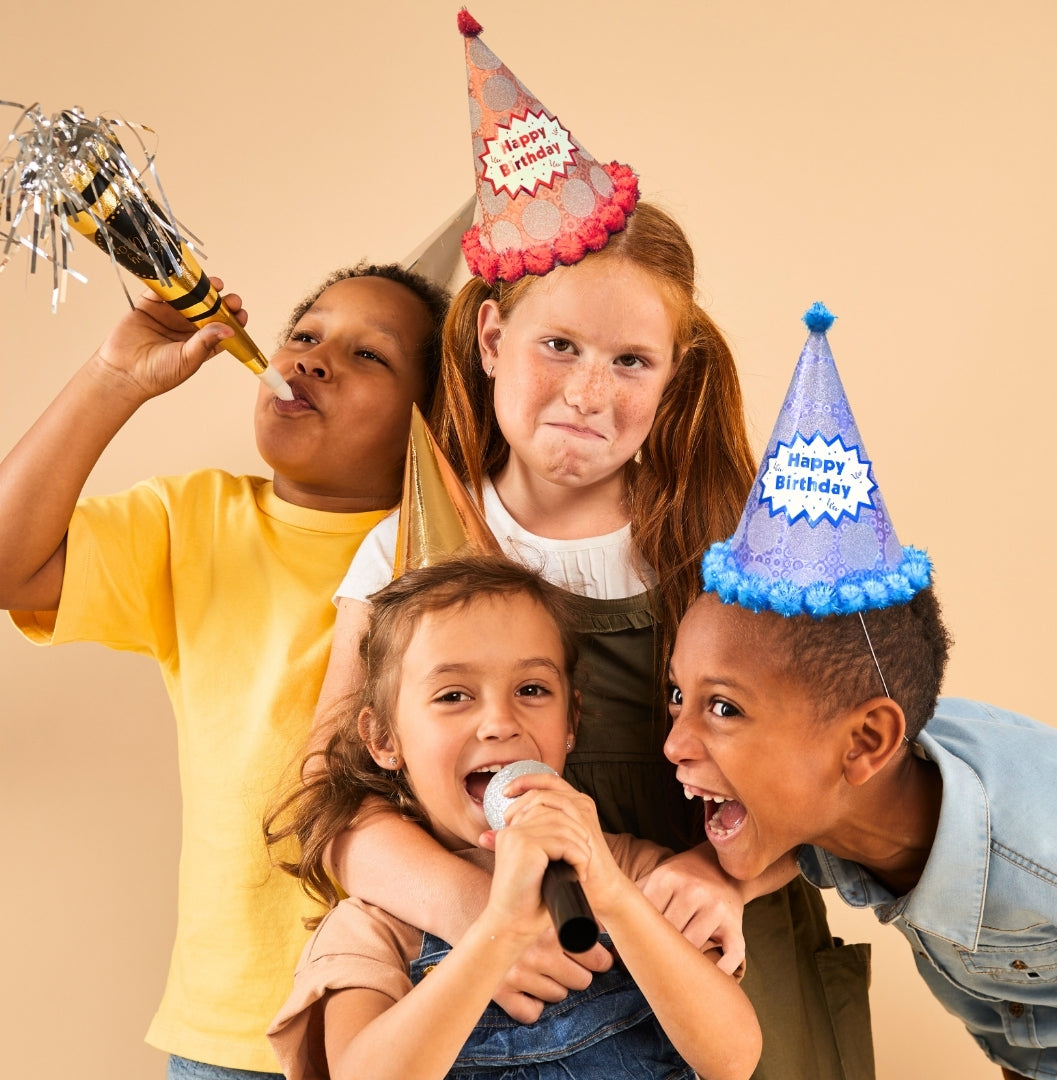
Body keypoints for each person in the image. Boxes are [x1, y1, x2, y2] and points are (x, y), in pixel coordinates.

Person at [309, 15, 876, 1078]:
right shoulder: (410, 549)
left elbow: (841, 768)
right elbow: (323, 790)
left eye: (629, 360)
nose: (585, 391)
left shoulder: (732, 555)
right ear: (490, 339)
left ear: (673, 377)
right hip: (501, 994)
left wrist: (730, 880)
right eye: (557, 345)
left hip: (718, 971)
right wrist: (482, 912)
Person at [0, 261, 449, 1079]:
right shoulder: (193, 521)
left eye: (367, 356)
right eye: (304, 336)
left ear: (432, 419)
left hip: (414, 1021)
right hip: (230, 1025)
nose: (312, 359)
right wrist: (112, 379)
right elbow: (7, 562)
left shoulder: (452, 561)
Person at [664, 304, 1057, 1080]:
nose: (674, 742)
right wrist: (717, 872)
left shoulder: (1055, 866)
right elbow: (811, 834)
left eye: (722, 707)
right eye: (676, 697)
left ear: (864, 743)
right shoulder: (858, 801)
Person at [266, 554, 762, 1080]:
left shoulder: (638, 873)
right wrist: (494, 930)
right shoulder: (372, 928)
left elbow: (732, 1058)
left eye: (531, 690)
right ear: (385, 740)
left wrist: (614, 895)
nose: (500, 723)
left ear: (571, 720)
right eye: (454, 696)